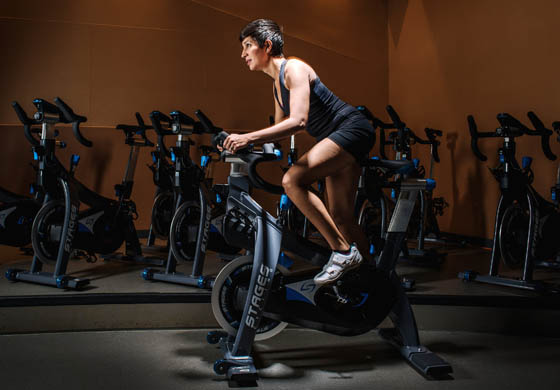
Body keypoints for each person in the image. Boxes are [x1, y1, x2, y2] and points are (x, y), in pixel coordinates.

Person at [222, 19, 375, 285]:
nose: (243, 54)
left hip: (352, 128)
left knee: (292, 180)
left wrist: (246, 137)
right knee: (340, 216)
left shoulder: (294, 68)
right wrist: (236, 144)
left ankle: (341, 252)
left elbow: (298, 122)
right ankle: (376, 282)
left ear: (266, 45)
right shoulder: (276, 86)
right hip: (336, 138)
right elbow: (281, 131)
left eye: (248, 46)